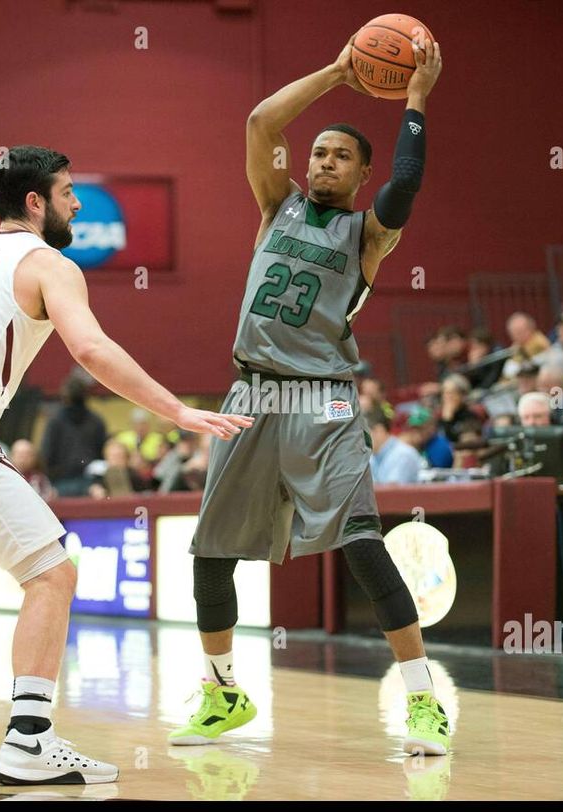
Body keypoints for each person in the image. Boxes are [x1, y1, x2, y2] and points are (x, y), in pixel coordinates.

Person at [0, 145, 250, 785]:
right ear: (35, 202)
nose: (77, 203)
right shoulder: (48, 263)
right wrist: (177, 410)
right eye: (68, 193)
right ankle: (30, 740)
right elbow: (90, 348)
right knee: (53, 573)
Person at [177, 35, 451, 755]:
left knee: (362, 542)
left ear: (361, 173)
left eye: (340, 155)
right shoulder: (277, 206)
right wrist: (338, 72)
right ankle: (223, 692)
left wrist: (414, 97)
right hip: (250, 396)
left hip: (322, 399)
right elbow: (260, 125)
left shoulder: (369, 233)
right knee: (210, 552)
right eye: (319, 152)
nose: (323, 160)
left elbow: (408, 183)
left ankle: (423, 702)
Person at [368, 410, 422, 484]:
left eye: (363, 435)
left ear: (379, 431)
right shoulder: (371, 457)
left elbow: (392, 492)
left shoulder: (403, 454)